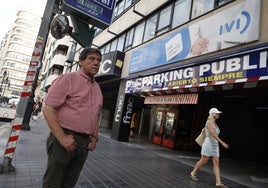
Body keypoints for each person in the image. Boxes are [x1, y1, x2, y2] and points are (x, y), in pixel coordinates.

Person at [42, 47, 103, 188]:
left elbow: (95, 114)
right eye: (91, 59)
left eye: (98, 60)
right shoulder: (67, 79)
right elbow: (48, 109)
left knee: (69, 184)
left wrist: (94, 137)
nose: (96, 63)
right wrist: (62, 138)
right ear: (81, 61)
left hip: (83, 144)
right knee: (52, 183)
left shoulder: (98, 88)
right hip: (62, 139)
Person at [189, 107, 229, 188]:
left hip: (215, 145)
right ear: (212, 114)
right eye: (217, 113)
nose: (218, 115)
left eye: (218, 113)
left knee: (216, 163)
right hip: (208, 143)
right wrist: (222, 142)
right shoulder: (208, 122)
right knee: (204, 161)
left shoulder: (215, 123)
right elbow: (213, 134)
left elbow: (216, 135)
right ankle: (193, 173)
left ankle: (218, 183)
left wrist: (218, 143)